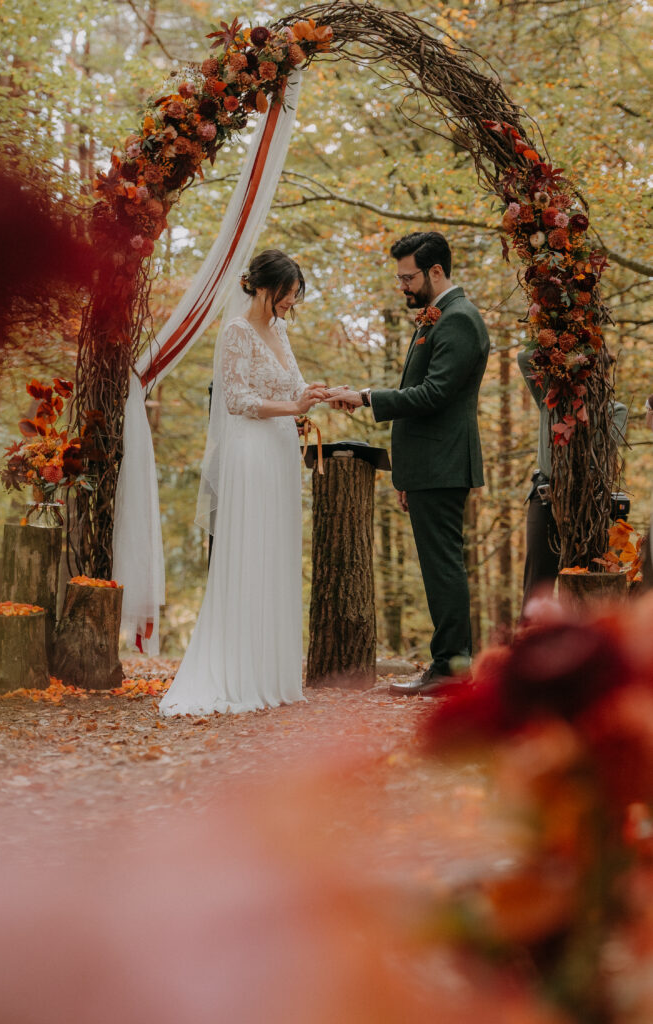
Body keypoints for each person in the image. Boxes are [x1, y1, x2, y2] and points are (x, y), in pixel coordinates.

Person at [160, 250, 328, 717]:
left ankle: (271, 673)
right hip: (250, 454)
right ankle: (238, 672)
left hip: (280, 455)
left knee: (276, 555)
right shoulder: (236, 331)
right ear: (264, 288)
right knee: (250, 552)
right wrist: (294, 408)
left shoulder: (281, 330)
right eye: (289, 295)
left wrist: (314, 396)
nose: (292, 303)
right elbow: (236, 399)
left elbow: (290, 387)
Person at [330, 231, 490, 694]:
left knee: (443, 567)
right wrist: (405, 473)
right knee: (439, 565)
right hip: (427, 465)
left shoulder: (459, 319)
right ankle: (450, 666)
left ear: (435, 271)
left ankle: (450, 670)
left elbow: (434, 394)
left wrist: (363, 398)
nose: (403, 284)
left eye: (408, 276)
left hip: (443, 464)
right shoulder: (437, 317)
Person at [518, 347, 628, 612]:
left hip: (589, 505)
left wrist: (585, 409)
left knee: (586, 584)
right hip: (545, 497)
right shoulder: (550, 397)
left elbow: (601, 455)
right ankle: (530, 648)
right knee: (537, 585)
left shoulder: (615, 410)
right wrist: (561, 350)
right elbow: (524, 358)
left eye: (591, 372)